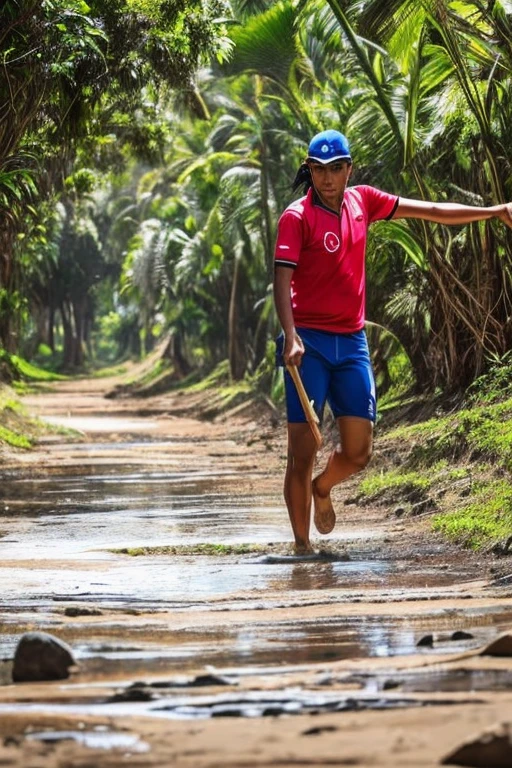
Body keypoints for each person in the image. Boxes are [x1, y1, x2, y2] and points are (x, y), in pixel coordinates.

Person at [273, 128, 512, 554]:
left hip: (351, 342)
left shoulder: (363, 201)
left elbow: (433, 210)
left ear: (349, 169)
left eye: (335, 169)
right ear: (308, 171)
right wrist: (290, 336)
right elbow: (282, 278)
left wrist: (493, 211)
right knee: (302, 449)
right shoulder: (296, 216)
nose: (327, 179)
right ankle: (302, 548)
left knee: (359, 452)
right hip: (306, 344)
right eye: (318, 170)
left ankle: (323, 488)